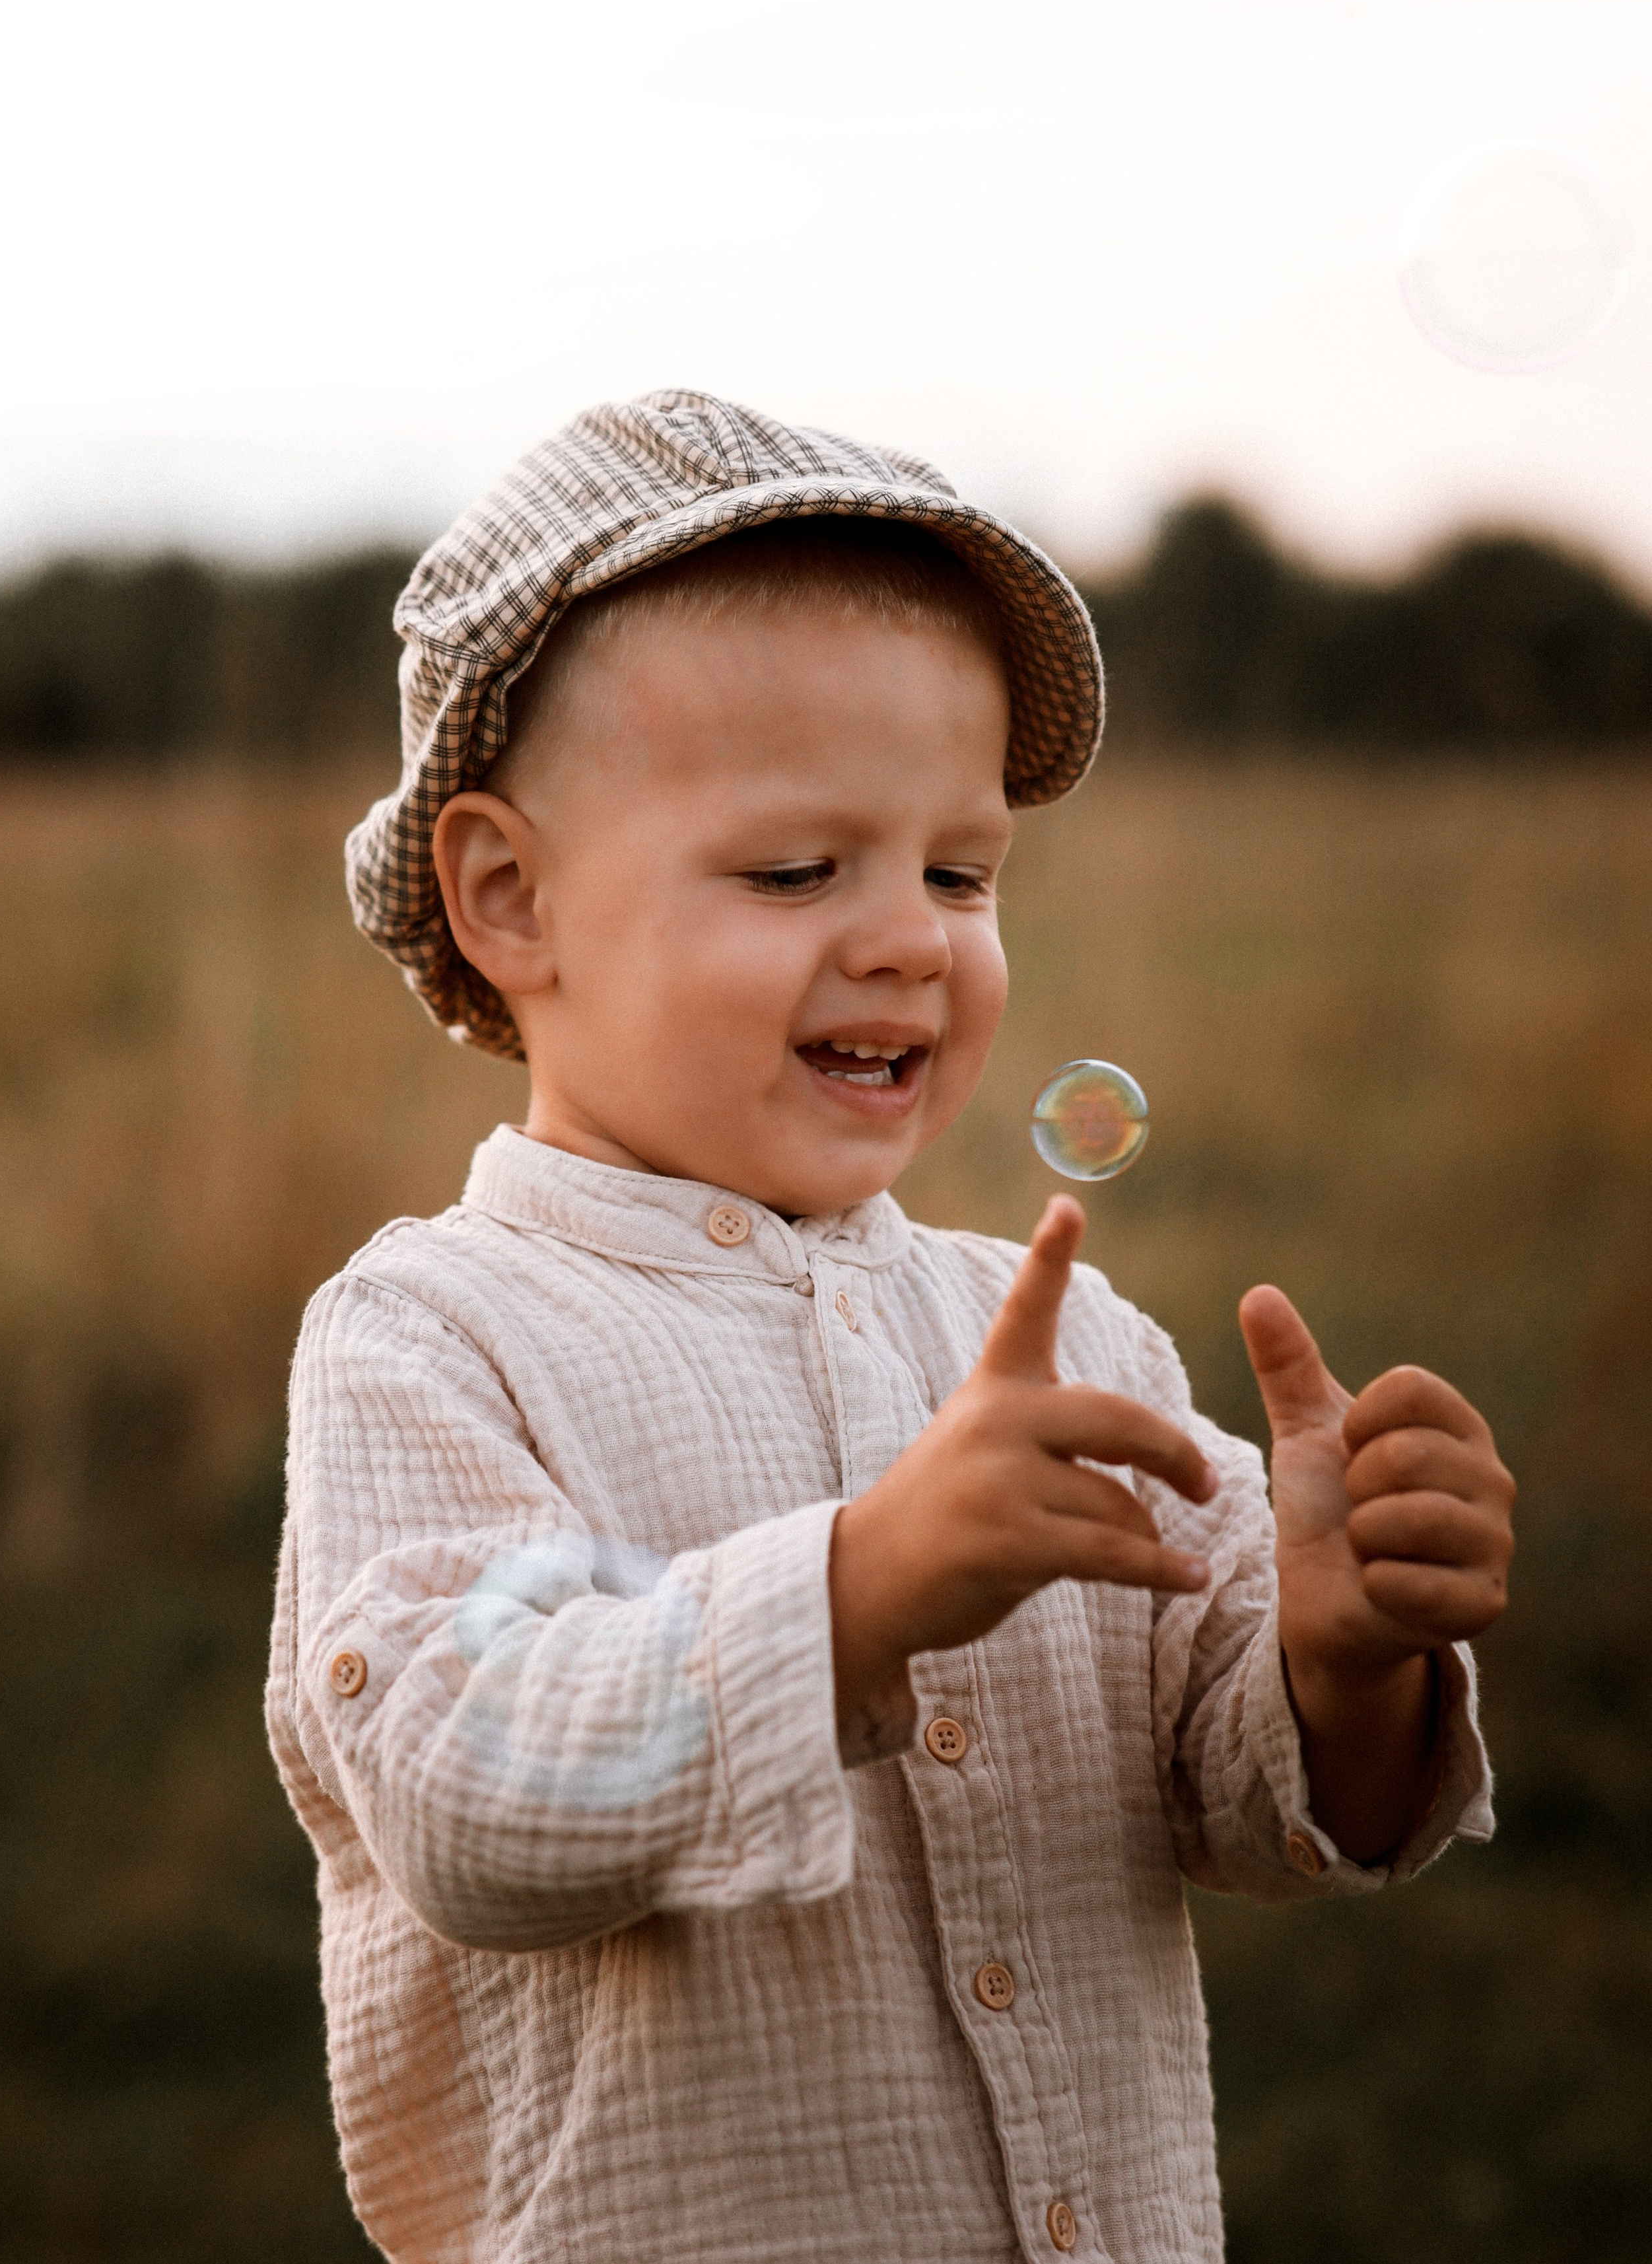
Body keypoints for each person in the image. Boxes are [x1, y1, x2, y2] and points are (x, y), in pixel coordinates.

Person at [265, 390, 1515, 2264]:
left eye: (960, 868)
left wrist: (1346, 1657)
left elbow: (1243, 1792)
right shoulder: (434, 1334)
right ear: (510, 898)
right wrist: (855, 1586)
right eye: (797, 870)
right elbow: (467, 1791)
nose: (915, 938)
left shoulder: (1064, 1332)